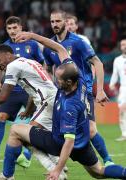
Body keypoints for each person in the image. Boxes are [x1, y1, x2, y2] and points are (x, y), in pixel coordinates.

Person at [0, 62, 126, 180]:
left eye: (58, 79)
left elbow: (69, 142)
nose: (55, 81)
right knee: (98, 172)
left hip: (60, 143)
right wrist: (34, 36)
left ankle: (8, 176)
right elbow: (61, 50)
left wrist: (57, 171)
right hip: (83, 144)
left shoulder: (69, 106)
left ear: (69, 82)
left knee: (15, 130)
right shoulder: (79, 81)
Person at [0, 35, 70, 179]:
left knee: (25, 136)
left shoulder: (13, 66)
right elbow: (33, 88)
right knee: (22, 136)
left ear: (8, 55)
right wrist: (29, 109)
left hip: (48, 102)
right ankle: (10, 174)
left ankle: (55, 170)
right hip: (53, 101)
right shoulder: (28, 62)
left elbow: (3, 96)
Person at [42, 10, 113, 166]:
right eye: (52, 21)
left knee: (91, 130)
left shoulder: (78, 42)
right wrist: (50, 85)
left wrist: (99, 90)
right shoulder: (49, 46)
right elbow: (47, 68)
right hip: (62, 94)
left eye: (58, 21)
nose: (55, 24)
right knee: (48, 126)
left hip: (82, 91)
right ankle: (47, 161)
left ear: (65, 23)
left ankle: (108, 161)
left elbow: (98, 63)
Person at [0, 16, 45, 166]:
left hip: (30, 89)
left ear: (21, 28)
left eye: (15, 28)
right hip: (12, 89)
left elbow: (42, 64)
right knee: (1, 116)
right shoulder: (4, 46)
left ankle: (33, 155)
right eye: (9, 28)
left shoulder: (32, 45)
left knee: (36, 122)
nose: (12, 31)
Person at [109, 38, 126, 141]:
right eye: (123, 44)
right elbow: (115, 74)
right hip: (123, 89)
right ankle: (124, 134)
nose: (125, 46)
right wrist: (112, 84)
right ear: (120, 47)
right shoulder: (117, 60)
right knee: (122, 111)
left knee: (123, 109)